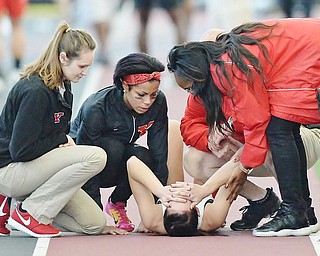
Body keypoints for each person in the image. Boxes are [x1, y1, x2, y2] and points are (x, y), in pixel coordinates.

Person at [167, 18, 320, 236]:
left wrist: (243, 167)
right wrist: (209, 137)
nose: (191, 93)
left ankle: (295, 212)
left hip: (309, 57)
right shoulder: (224, 64)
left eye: (190, 88)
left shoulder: (229, 67)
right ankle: (298, 212)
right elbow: (190, 123)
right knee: (279, 128)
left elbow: (258, 123)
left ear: (198, 73)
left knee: (277, 130)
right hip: (306, 54)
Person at [0, 21, 127, 238]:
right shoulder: (36, 91)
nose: (85, 73)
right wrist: (61, 140)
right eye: (82, 66)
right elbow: (20, 151)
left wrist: (61, 141)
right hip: (10, 170)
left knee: (93, 224)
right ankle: (29, 213)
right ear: (63, 58)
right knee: (96, 156)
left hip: (34, 172)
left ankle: (23, 206)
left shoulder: (63, 86)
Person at [181, 93, 320, 232]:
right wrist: (210, 139)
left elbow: (260, 126)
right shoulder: (200, 91)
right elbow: (189, 124)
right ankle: (263, 201)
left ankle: (297, 209)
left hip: (296, 139)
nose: (192, 90)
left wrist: (229, 129)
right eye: (188, 88)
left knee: (270, 135)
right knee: (194, 160)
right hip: (252, 145)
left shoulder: (242, 77)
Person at [70, 52, 169, 232]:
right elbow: (86, 164)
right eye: (141, 95)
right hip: (82, 168)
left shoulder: (159, 103)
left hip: (117, 163)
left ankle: (117, 203)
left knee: (143, 157)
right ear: (125, 85)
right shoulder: (97, 108)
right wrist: (97, 221)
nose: (147, 102)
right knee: (112, 147)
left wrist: (156, 213)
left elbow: (160, 154)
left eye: (153, 95)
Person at [127, 155, 237, 236]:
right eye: (185, 199)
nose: (179, 192)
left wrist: (159, 190)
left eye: (172, 199)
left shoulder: (152, 220)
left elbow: (132, 163)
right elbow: (236, 164)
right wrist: (204, 190)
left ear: (164, 211)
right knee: (203, 160)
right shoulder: (213, 218)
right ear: (198, 211)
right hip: (203, 185)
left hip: (170, 186)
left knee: (172, 128)